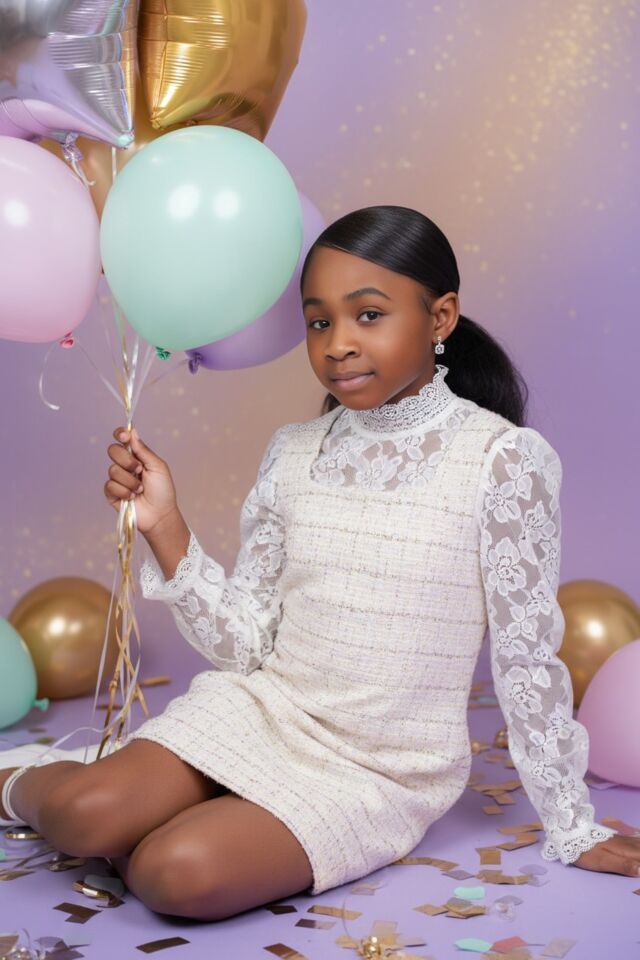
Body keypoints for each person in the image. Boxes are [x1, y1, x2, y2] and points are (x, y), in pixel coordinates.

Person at [1, 205, 639, 921]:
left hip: (377, 770)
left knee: (171, 874)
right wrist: (164, 524)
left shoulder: (501, 460)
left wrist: (572, 823)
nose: (338, 344)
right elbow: (245, 645)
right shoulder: (294, 451)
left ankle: (180, 822)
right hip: (262, 711)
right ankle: (15, 781)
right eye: (318, 321)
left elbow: (526, 659)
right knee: (84, 816)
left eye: (368, 315)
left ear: (440, 317)